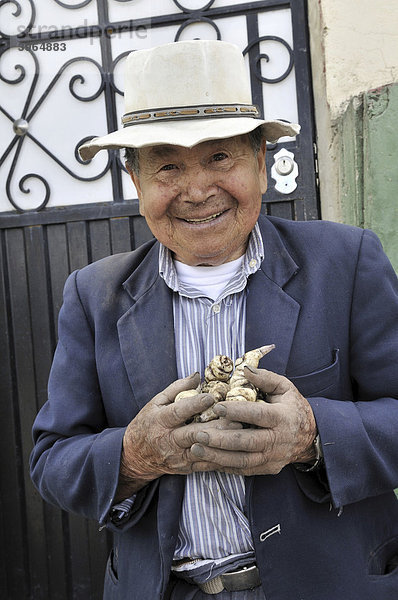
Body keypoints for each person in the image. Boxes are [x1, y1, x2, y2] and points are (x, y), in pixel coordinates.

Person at [30, 40, 398, 600]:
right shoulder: (93, 295)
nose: (197, 190)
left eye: (220, 158)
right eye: (168, 166)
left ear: (260, 165)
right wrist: (133, 455)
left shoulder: (346, 264)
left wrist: (313, 436)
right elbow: (53, 461)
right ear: (137, 183)